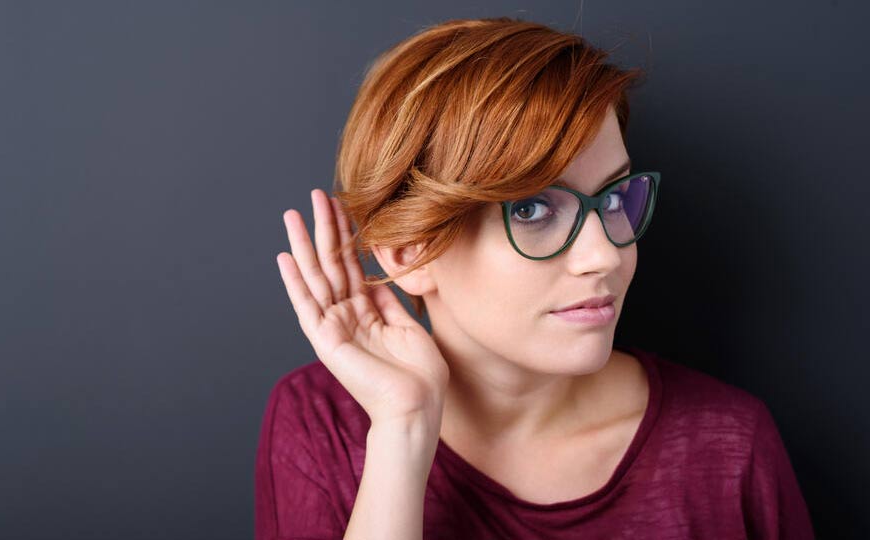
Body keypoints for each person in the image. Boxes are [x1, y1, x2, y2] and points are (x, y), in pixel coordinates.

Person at [256, 16, 814, 540]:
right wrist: (402, 431)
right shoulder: (321, 425)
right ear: (409, 252)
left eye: (613, 197)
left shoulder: (730, 447)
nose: (605, 254)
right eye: (531, 209)